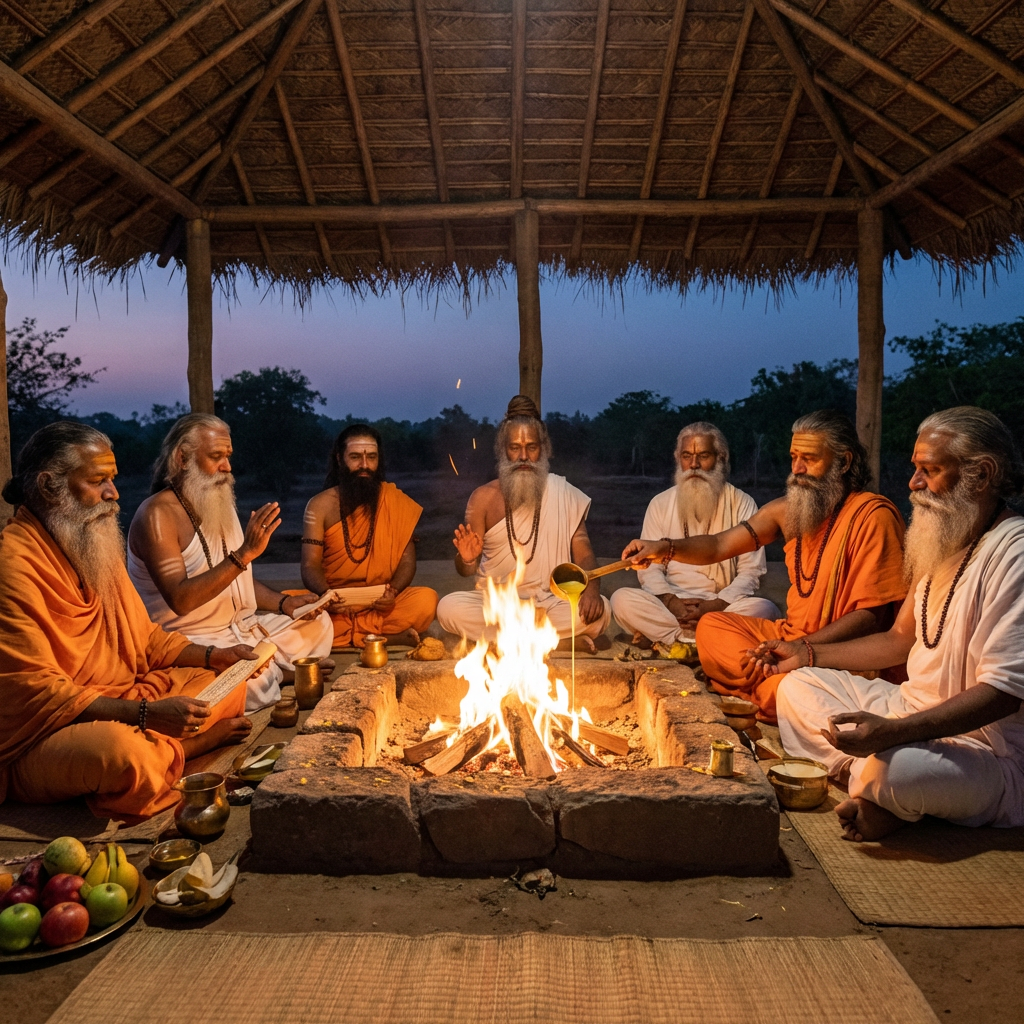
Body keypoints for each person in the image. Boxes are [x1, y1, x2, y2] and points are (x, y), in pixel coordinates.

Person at [770, 407, 1024, 841]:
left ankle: (880, 785)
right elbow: (898, 639)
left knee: (899, 769)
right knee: (797, 687)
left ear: (981, 475)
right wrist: (806, 653)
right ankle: (870, 780)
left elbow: (1002, 694)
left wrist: (895, 734)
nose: (913, 483)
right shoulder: (947, 536)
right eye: (915, 469)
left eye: (930, 470)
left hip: (983, 748)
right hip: (908, 709)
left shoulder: (1013, 553)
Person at [0, 422, 259, 823]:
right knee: (124, 755)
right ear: (50, 486)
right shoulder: (12, 565)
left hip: (125, 697)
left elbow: (148, 640)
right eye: (98, 481)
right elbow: (36, 692)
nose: (113, 494)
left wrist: (214, 655)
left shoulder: (89, 543)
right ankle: (186, 748)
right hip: (45, 735)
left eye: (113, 479)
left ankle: (168, 745)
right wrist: (144, 715)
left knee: (232, 683)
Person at [623, 410, 906, 722]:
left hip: (839, 652)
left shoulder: (873, 516)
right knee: (712, 627)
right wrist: (664, 548)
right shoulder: (785, 512)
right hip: (789, 638)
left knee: (783, 680)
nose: (797, 470)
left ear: (844, 462)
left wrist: (801, 649)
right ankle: (776, 687)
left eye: (809, 459)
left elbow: (870, 617)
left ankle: (768, 689)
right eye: (794, 457)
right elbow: (718, 545)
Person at [128, 414, 333, 712]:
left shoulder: (215, 502)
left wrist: (284, 604)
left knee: (318, 624)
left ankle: (274, 669)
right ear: (182, 458)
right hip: (193, 640)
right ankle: (279, 672)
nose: (227, 467)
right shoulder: (157, 516)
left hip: (241, 626)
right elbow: (181, 599)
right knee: (247, 684)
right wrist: (243, 555)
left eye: (228, 456)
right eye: (216, 457)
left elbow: (238, 582)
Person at [437, 395, 612, 648]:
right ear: (503, 450)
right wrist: (466, 558)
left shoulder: (563, 492)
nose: (523, 456)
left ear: (544, 449)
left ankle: (507, 644)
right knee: (448, 608)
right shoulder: (483, 498)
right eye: (515, 447)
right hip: (498, 604)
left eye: (531, 447)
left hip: (551, 602)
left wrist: (592, 590)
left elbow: (584, 554)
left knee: (602, 611)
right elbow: (466, 570)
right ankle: (555, 644)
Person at [611, 421, 779, 647]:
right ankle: (702, 642)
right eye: (687, 456)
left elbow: (751, 572)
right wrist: (672, 602)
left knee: (764, 609)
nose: (694, 465)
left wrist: (715, 605)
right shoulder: (660, 503)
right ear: (677, 458)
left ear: (721, 458)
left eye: (704, 456)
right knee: (621, 600)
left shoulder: (742, 503)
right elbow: (650, 570)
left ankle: (672, 641)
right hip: (670, 605)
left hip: (722, 605)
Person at [302, 424, 437, 648]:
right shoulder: (319, 506)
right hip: (334, 604)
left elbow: (407, 562)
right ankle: (383, 638)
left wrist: (392, 592)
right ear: (339, 459)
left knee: (426, 601)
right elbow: (310, 565)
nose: (365, 465)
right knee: (294, 612)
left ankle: (341, 638)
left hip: (381, 602)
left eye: (371, 457)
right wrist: (326, 595)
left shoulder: (395, 502)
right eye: (355, 457)